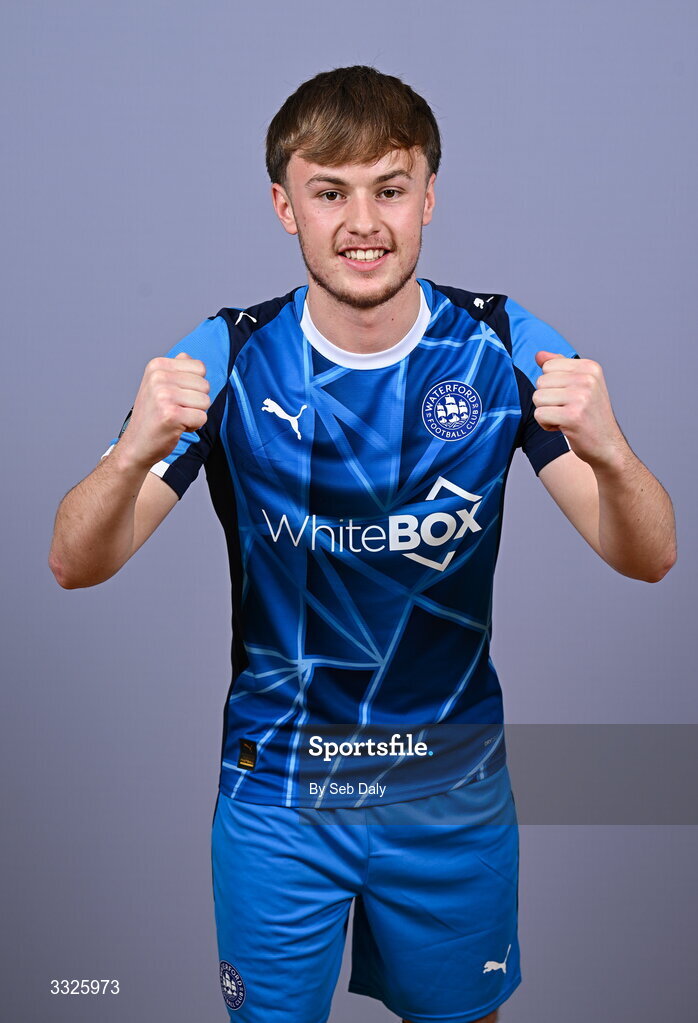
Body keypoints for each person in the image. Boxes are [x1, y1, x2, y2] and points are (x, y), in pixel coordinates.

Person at [49, 65, 676, 1023]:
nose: (363, 222)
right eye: (328, 192)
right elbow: (73, 561)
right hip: (282, 798)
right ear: (282, 205)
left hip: (450, 795)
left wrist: (613, 447)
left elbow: (650, 554)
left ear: (430, 194)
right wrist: (135, 448)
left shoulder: (502, 343)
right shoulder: (229, 353)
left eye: (389, 188)